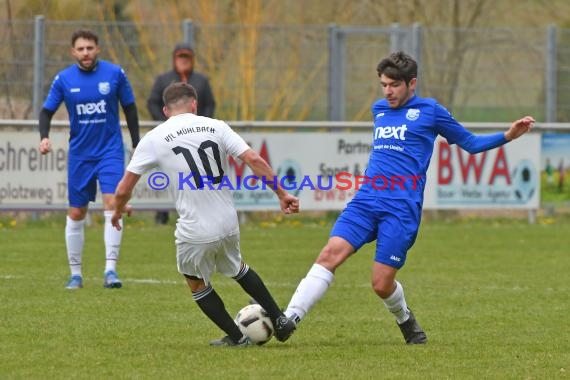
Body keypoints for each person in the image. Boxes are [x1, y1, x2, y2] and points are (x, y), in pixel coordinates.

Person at [283, 51, 535, 344]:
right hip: (366, 200)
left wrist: (507, 135)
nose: (387, 91)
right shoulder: (379, 109)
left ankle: (405, 319)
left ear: (411, 83)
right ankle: (289, 319)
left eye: (394, 85)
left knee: (380, 284)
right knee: (330, 254)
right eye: (383, 85)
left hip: (401, 210)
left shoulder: (431, 111)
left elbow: (470, 143)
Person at [112, 82, 298, 346]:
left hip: (196, 228)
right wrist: (282, 194)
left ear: (166, 110)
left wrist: (118, 210)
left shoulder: (154, 137)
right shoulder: (216, 126)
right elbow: (254, 160)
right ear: (194, 104)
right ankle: (280, 319)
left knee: (195, 281)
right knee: (238, 268)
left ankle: (237, 338)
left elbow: (123, 188)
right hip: (228, 222)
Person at [38, 29, 140, 290]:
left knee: (111, 204)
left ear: (98, 49)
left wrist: (137, 142)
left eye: (90, 48)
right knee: (76, 211)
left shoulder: (115, 74)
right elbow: (47, 111)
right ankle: (75, 274)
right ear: (73, 52)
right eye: (81, 49)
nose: (86, 53)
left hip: (110, 150)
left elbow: (129, 108)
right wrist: (44, 137)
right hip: (81, 154)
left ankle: (110, 271)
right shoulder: (63, 79)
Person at [147, 42, 216, 225]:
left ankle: (198, 211)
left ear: (192, 59)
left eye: (187, 57)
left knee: (196, 173)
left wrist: (202, 124)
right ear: (174, 59)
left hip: (196, 138)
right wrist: (165, 122)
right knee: (168, 173)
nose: (183, 61)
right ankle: (162, 213)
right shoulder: (164, 80)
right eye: (180, 57)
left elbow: (210, 104)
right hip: (170, 137)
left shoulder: (201, 81)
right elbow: (152, 102)